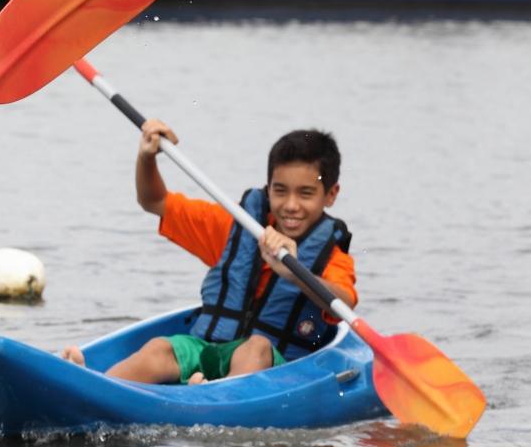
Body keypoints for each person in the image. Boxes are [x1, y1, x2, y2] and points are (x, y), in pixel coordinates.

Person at [62, 118, 357, 385]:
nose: (291, 205)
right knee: (160, 348)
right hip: (210, 349)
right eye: (280, 191)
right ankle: (94, 384)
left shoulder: (333, 258)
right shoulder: (235, 227)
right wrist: (147, 158)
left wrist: (294, 273)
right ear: (268, 190)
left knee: (256, 346)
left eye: (306, 193)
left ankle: (211, 395)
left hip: (274, 367)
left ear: (330, 195)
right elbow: (154, 201)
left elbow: (342, 303)